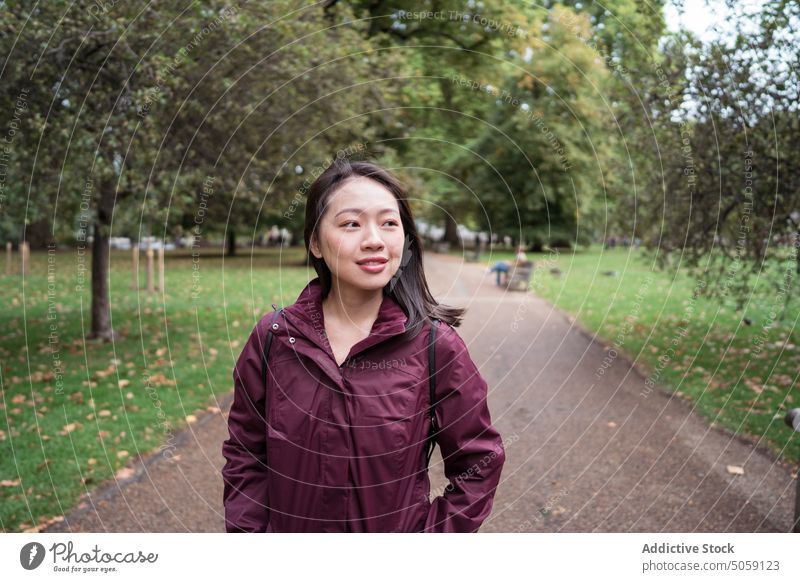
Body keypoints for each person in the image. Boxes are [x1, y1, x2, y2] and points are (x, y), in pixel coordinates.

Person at [221, 158, 506, 533]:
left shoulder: (436, 347)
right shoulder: (273, 339)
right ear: (316, 243)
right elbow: (245, 454)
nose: (374, 239)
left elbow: (479, 461)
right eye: (351, 223)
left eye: (389, 222)